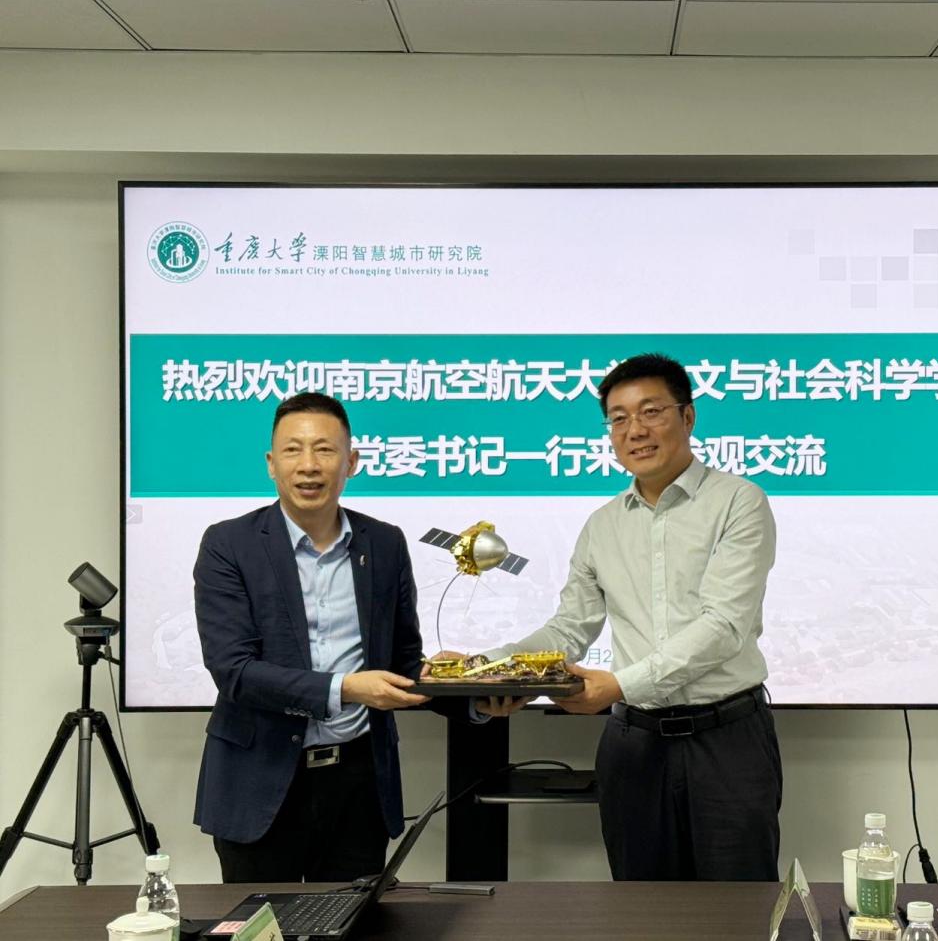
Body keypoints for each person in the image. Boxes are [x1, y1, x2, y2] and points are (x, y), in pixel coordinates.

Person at [482, 352, 782, 881]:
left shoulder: (739, 502)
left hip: (727, 741)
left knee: (738, 909)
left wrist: (619, 684)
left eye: (651, 412)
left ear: (687, 417)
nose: (634, 431)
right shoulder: (602, 526)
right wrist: (489, 667)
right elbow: (569, 628)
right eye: (618, 419)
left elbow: (723, 626)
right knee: (639, 909)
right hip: (634, 745)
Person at [193, 392, 433, 883]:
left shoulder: (384, 543)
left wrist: (470, 692)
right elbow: (234, 671)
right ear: (271, 463)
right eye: (293, 450)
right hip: (260, 782)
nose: (309, 465)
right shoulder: (229, 544)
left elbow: (404, 660)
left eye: (325, 450)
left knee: (352, 920)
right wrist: (346, 688)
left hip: (358, 785)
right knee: (261, 922)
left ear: (351, 462)